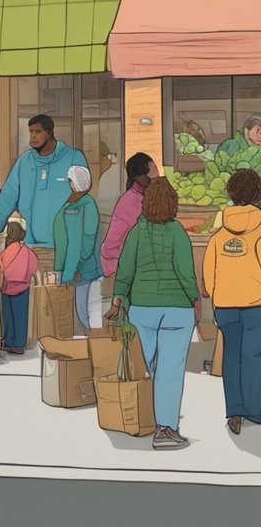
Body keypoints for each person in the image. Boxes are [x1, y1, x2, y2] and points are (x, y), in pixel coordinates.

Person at [107, 178, 198, 450]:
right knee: (169, 370)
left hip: (142, 309)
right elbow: (185, 271)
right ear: (173, 203)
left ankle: (139, 419)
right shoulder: (178, 232)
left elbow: (125, 270)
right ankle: (165, 429)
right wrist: (195, 298)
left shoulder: (136, 232)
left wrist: (117, 299)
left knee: (141, 365)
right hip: (176, 311)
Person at [0, 115, 89, 251]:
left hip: (64, 249)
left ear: (49, 133)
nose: (33, 136)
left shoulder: (73, 158)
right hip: (29, 247)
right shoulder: (24, 162)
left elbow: (82, 199)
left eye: (38, 132)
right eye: (31, 132)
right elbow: (6, 200)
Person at [202, 168, 261, 436]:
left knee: (232, 357)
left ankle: (235, 412)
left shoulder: (220, 230)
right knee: (254, 357)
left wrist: (216, 297)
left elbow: (208, 271)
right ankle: (255, 410)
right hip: (256, 304)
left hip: (225, 305)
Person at [101, 154, 156, 314]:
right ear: (138, 176)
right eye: (149, 172)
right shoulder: (128, 203)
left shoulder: (150, 198)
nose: (154, 176)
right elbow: (110, 246)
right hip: (130, 277)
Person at [55, 165, 103, 331]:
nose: (69, 184)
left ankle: (90, 345)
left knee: (82, 311)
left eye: (70, 181)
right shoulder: (71, 203)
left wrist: (76, 267)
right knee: (73, 312)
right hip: (70, 266)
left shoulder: (87, 206)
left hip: (82, 269)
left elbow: (86, 242)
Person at [0, 221, 39, 355]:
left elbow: (0, 267)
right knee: (21, 316)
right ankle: (19, 344)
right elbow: (33, 267)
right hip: (23, 287)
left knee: (7, 316)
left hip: (7, 287)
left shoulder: (6, 250)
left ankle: (8, 342)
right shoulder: (27, 250)